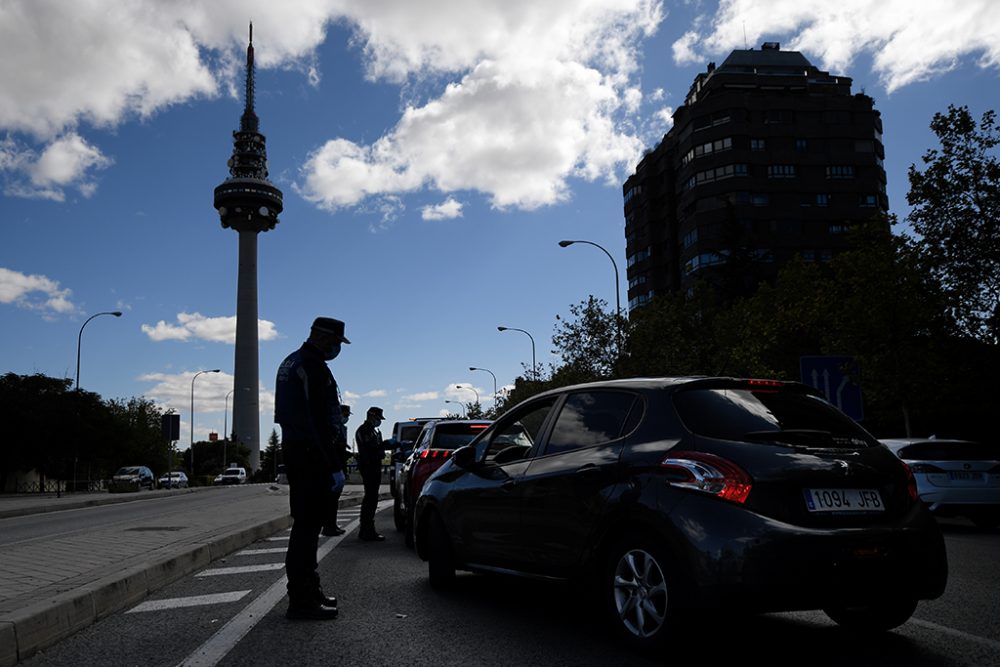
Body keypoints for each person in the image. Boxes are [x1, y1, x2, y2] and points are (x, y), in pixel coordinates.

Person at [274, 317, 350, 620]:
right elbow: (318, 420)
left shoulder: (293, 362)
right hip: (310, 453)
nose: (336, 349)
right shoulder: (311, 366)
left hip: (300, 450)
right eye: (335, 342)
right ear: (322, 337)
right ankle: (302, 599)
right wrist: (333, 465)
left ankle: (309, 590)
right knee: (307, 528)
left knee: (307, 526)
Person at [355, 406, 389, 541]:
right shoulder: (364, 430)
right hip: (368, 466)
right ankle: (366, 529)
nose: (379, 421)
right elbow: (370, 448)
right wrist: (385, 445)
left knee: (372, 498)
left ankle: (367, 528)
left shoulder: (372, 431)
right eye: (378, 418)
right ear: (371, 416)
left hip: (374, 465)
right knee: (370, 498)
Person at [322, 404, 351, 537]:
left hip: (338, 466)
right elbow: (332, 449)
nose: (346, 418)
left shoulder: (341, 428)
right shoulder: (331, 428)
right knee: (330, 500)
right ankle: (329, 526)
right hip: (332, 468)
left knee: (333, 501)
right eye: (345, 415)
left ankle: (332, 525)